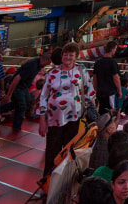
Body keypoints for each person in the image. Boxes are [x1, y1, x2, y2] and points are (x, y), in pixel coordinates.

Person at [38, 42, 95, 177]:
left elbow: (89, 91)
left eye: (71, 55)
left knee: (70, 151)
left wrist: (93, 112)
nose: (67, 57)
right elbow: (43, 96)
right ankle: (48, 181)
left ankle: (65, 180)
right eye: (65, 54)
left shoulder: (81, 71)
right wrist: (42, 120)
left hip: (74, 119)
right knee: (52, 151)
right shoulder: (52, 73)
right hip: (55, 119)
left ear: (75, 57)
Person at [0, 50, 51, 134]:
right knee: (21, 106)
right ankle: (16, 128)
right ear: (46, 60)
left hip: (23, 87)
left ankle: (0, 110)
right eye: (49, 62)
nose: (48, 64)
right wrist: (9, 94)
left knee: (25, 102)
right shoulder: (33, 65)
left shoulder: (38, 65)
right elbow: (17, 78)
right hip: (18, 87)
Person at [93, 41, 122, 115]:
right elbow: (116, 78)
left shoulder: (98, 62)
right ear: (112, 50)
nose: (115, 51)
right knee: (110, 112)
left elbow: (95, 78)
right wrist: (119, 90)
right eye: (115, 49)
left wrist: (95, 90)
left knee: (101, 111)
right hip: (110, 92)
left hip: (100, 92)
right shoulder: (113, 62)